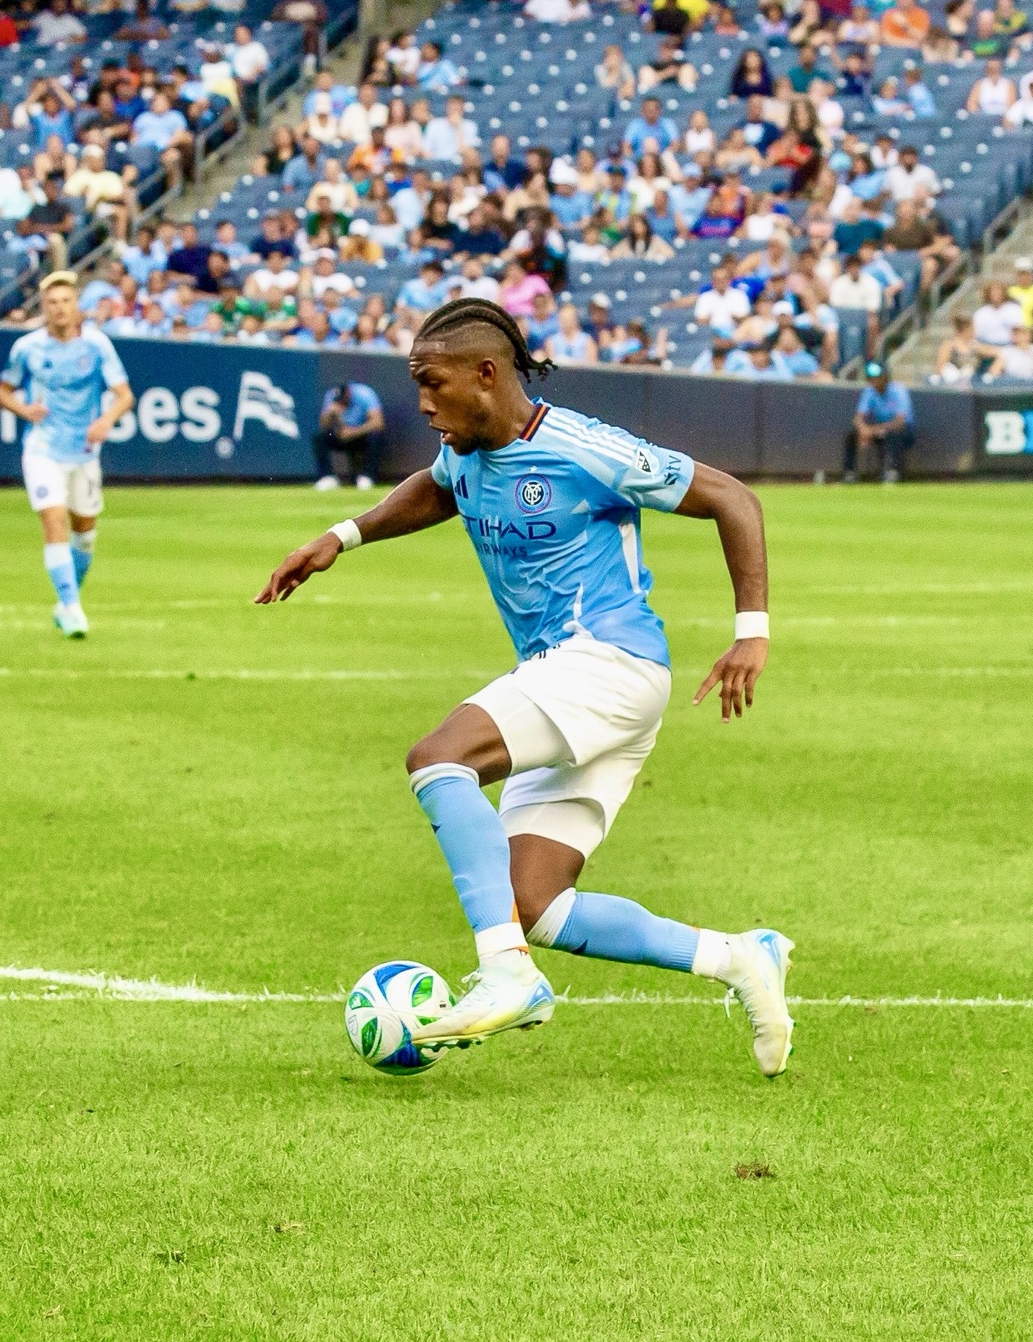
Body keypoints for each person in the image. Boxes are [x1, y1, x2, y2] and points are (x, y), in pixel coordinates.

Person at [255, 297, 792, 1075]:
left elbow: (733, 499)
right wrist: (340, 537)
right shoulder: (465, 450)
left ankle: (506, 972)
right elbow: (439, 488)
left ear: (486, 373)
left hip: (607, 661)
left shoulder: (584, 447)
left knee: (439, 758)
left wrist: (751, 633)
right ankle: (741, 957)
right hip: (574, 678)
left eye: (433, 384)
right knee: (535, 903)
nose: (423, 404)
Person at [0, 272, 137, 638]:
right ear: (44, 308)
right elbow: (3, 391)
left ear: (77, 307)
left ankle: (66, 601)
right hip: (42, 448)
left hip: (85, 452)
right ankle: (72, 608)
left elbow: (124, 395)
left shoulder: (97, 346)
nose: (59, 309)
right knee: (54, 521)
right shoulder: (26, 347)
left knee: (85, 534)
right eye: (52, 303)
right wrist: (24, 411)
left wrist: (106, 420)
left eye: (66, 302)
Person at [844, 361, 913, 483]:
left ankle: (892, 472)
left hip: (902, 431)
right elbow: (858, 418)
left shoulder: (898, 390)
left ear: (885, 377)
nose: (874, 381)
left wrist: (875, 429)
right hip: (877, 429)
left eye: (877, 378)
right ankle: (849, 473)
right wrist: (863, 429)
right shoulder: (870, 391)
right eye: (871, 378)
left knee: (893, 435)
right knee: (851, 435)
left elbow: (900, 421)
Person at [313, 382, 385, 490]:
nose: (341, 403)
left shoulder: (365, 394)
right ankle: (327, 477)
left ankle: (367, 477)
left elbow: (378, 423)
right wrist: (329, 413)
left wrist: (354, 432)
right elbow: (323, 425)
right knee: (319, 437)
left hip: (361, 435)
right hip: (341, 434)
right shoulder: (331, 396)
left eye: (343, 400)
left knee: (376, 436)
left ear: (348, 394)